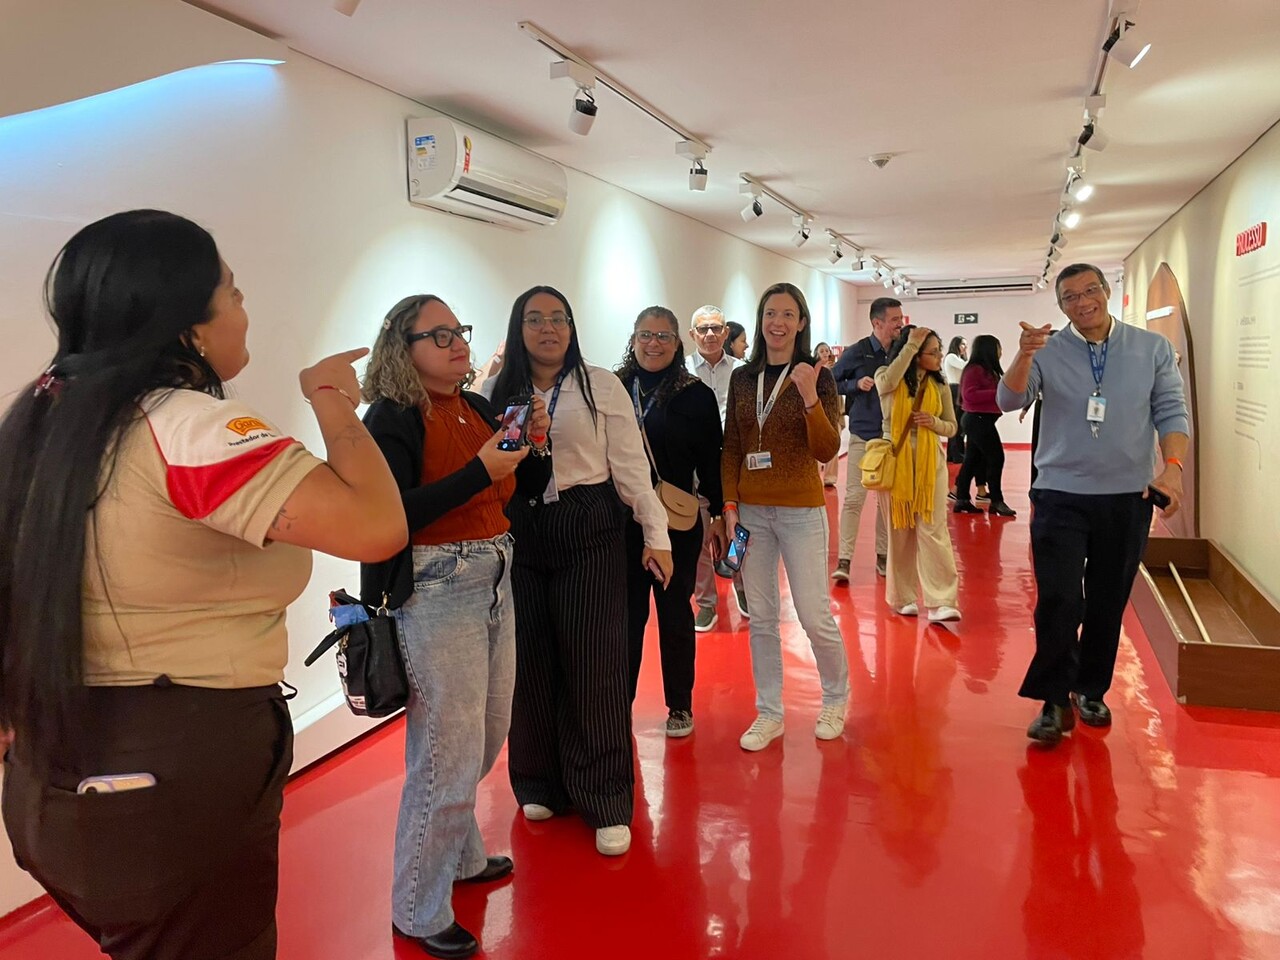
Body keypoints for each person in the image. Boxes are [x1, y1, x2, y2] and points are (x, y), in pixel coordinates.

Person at [0, 210, 406, 960]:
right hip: (169, 778)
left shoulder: (39, 423)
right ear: (188, 325)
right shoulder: (188, 429)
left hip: (50, 779)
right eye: (233, 292)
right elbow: (377, 525)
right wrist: (329, 398)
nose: (245, 308)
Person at [360, 295, 553, 959]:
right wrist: (480, 470)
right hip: (436, 583)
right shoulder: (390, 417)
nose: (456, 343)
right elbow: (391, 514)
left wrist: (532, 447)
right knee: (446, 750)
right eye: (437, 335)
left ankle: (463, 855)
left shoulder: (474, 406)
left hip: (495, 569)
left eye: (458, 331)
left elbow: (522, 487)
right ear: (403, 346)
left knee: (488, 730)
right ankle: (417, 905)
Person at [486, 286, 673, 857]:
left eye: (559, 318)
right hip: (521, 528)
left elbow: (632, 467)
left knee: (595, 663)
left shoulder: (600, 385)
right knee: (530, 662)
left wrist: (656, 534)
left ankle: (605, 796)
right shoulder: (496, 391)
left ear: (571, 327)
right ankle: (538, 780)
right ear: (518, 329)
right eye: (535, 319)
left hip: (588, 524)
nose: (549, 329)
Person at [998, 263, 1188, 745]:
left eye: (1090, 291)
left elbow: (1171, 410)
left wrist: (1172, 467)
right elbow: (1008, 400)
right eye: (1070, 297)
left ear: (1106, 291)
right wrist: (1023, 355)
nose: (1082, 303)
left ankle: (1091, 688)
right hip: (1060, 494)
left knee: (1108, 600)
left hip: (1127, 497)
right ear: (1060, 305)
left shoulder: (1151, 348)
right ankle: (1053, 700)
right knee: (1060, 600)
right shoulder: (1046, 350)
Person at [721, 282, 850, 751]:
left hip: (801, 512)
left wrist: (811, 397)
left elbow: (827, 449)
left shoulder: (817, 376)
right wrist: (729, 505)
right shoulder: (743, 378)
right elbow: (732, 446)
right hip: (750, 513)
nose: (777, 323)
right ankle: (769, 712)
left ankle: (835, 699)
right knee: (761, 618)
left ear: (801, 323)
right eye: (770, 313)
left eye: (787, 314)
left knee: (814, 615)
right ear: (761, 321)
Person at [617, 307, 724, 738]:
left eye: (663, 336)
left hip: (675, 523)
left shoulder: (694, 395)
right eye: (646, 335)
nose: (654, 343)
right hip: (623, 521)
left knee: (675, 613)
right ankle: (618, 704)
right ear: (633, 340)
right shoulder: (616, 388)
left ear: (677, 343)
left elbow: (711, 460)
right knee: (626, 618)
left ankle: (680, 704)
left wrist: (719, 511)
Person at [876, 325, 962, 623]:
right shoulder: (887, 376)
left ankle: (942, 600)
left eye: (939, 351)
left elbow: (952, 427)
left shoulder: (939, 385)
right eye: (933, 352)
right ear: (914, 354)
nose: (940, 356)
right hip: (895, 461)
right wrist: (911, 344)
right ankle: (903, 597)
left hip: (930, 463)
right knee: (899, 531)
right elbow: (887, 382)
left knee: (933, 528)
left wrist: (933, 423)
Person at [830, 297, 903, 582]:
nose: (899, 324)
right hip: (862, 435)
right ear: (877, 323)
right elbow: (830, 381)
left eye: (900, 319)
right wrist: (854, 385)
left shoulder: (900, 352)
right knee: (854, 499)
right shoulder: (857, 352)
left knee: (886, 502)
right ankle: (844, 560)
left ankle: (883, 555)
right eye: (894, 319)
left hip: (892, 438)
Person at [686, 304, 747, 629]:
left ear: (726, 333)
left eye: (716, 328)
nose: (710, 334)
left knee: (739, 530)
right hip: (696, 465)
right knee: (698, 534)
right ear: (692, 334)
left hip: (734, 461)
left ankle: (741, 585)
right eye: (703, 328)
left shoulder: (742, 371)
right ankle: (706, 602)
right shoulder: (682, 371)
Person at [952, 334, 1016, 517]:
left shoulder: (987, 370)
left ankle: (962, 499)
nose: (1000, 351)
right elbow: (969, 395)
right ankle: (996, 501)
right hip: (977, 420)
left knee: (971, 460)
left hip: (981, 420)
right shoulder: (975, 370)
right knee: (996, 458)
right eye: (998, 347)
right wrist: (998, 391)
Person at [814, 342, 841, 486]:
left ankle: (830, 477)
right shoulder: (814, 370)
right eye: (821, 351)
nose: (825, 353)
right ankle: (815, 475)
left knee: (834, 446)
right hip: (819, 413)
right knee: (816, 445)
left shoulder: (837, 369)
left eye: (826, 350)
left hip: (834, 413)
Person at [944, 336, 968, 465]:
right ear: (956, 344)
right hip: (955, 390)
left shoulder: (957, 358)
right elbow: (966, 367)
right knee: (957, 423)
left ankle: (953, 454)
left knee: (958, 423)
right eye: (963, 344)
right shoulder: (951, 357)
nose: (965, 347)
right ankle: (957, 454)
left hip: (958, 390)